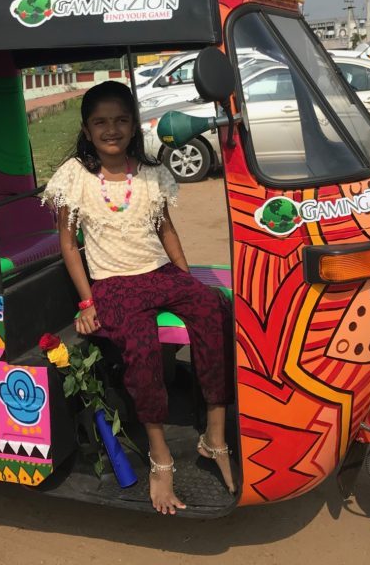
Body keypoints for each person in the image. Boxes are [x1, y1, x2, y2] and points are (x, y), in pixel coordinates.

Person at [42, 81, 234, 515]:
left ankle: (215, 438)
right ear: (87, 130)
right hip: (113, 283)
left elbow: (166, 231)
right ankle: (160, 455)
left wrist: (187, 282)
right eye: (101, 122)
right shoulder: (75, 176)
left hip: (160, 273)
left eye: (121, 120)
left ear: (133, 126)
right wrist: (87, 302)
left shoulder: (150, 174)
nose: (112, 129)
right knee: (142, 350)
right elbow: (69, 245)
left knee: (214, 310)